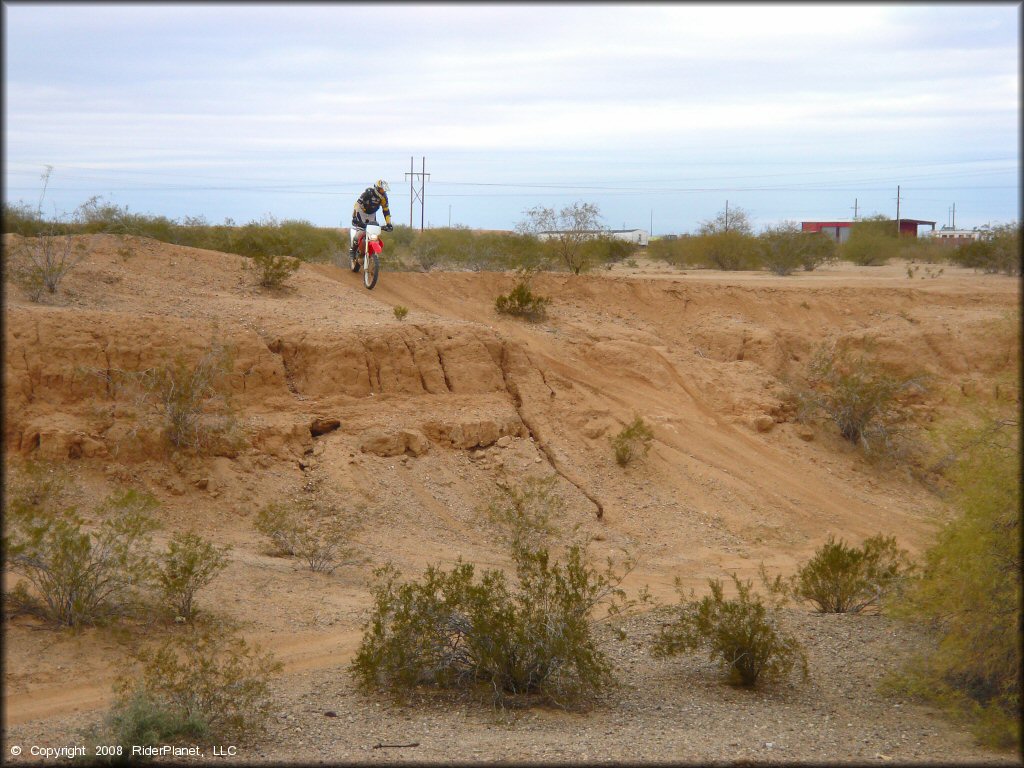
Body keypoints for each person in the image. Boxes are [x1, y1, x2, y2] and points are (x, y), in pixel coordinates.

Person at [349, 179, 393, 261]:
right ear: (376, 188)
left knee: (373, 232)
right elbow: (357, 204)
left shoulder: (384, 197)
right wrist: (354, 217)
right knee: (360, 231)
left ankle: (369, 250)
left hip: (372, 214)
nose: (383, 191)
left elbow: (386, 210)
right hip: (361, 211)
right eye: (381, 189)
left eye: (384, 190)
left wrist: (388, 223)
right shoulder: (368, 193)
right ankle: (353, 250)